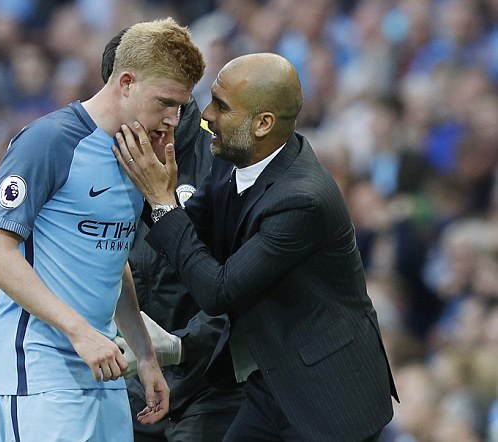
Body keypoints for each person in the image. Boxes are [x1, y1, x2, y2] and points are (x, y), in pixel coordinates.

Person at [114, 52, 399, 442]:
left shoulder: (302, 199)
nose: (207, 115)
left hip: (328, 397)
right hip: (272, 379)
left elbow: (219, 291)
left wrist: (163, 202)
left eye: (222, 106)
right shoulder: (236, 158)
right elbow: (188, 231)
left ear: (263, 123)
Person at [0, 18, 205, 442]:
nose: (173, 119)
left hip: (105, 366)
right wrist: (81, 332)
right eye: (165, 102)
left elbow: (111, 260)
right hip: (41, 370)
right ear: (127, 83)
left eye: (181, 107)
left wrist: (146, 355)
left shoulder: (133, 152)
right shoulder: (49, 141)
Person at [101, 30, 243, 441]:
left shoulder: (223, 162)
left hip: (213, 385)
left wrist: (181, 346)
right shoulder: (90, 157)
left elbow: (241, 281)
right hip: (126, 385)